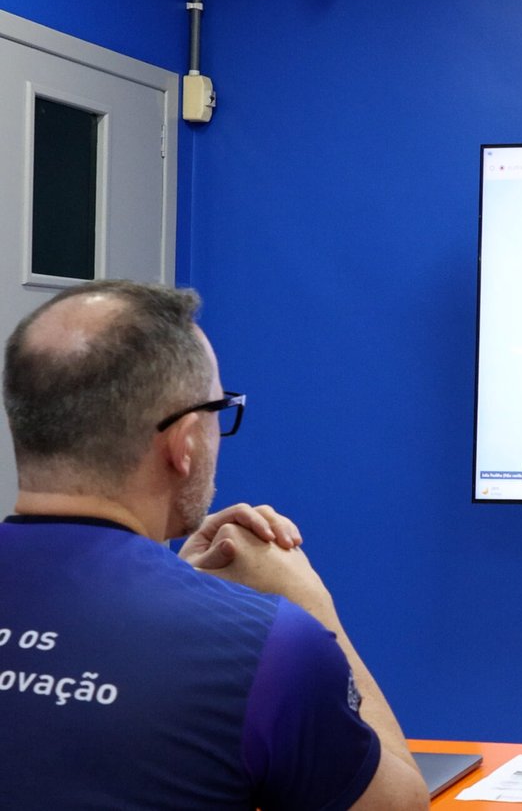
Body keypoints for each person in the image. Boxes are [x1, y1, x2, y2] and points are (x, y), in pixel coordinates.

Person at [0, 280, 427, 810]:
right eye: (217, 410)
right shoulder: (269, 647)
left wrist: (176, 584)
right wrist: (313, 610)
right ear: (183, 444)